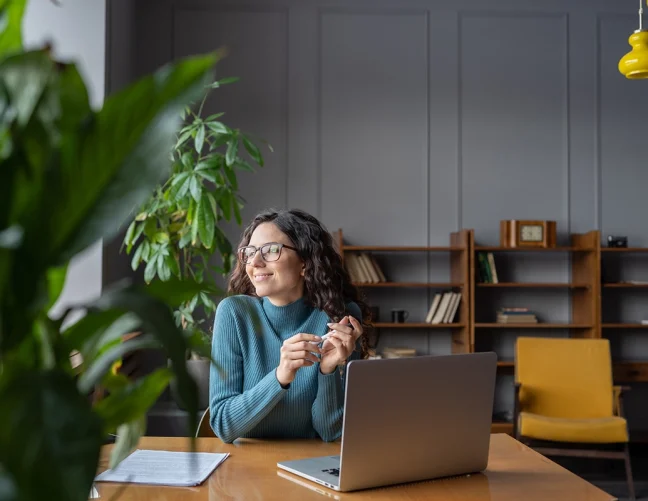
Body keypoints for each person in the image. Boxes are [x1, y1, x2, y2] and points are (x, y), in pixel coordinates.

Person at [208, 208, 372, 443]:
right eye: (250, 252)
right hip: (245, 466)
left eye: (271, 250)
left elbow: (332, 432)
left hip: (310, 465)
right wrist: (280, 376)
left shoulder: (341, 318)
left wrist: (328, 371)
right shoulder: (234, 314)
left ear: (305, 262)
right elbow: (223, 425)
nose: (255, 262)